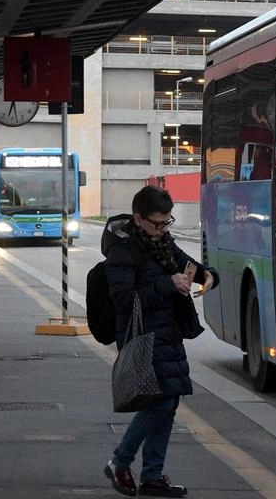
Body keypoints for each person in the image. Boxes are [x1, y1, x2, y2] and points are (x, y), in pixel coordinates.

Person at [102, 185, 217, 498]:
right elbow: (124, 300)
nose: (163, 228)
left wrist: (207, 275)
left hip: (166, 333)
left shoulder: (163, 242)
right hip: (143, 337)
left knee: (169, 403)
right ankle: (120, 461)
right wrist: (168, 284)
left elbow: (185, 264)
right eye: (157, 223)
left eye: (168, 222)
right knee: (161, 401)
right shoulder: (122, 251)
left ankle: (152, 475)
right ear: (138, 219)